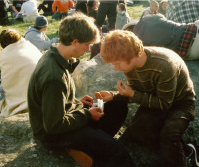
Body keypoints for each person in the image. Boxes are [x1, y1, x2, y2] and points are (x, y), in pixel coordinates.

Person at [27, 12, 135, 167]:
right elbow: (53, 126)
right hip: (53, 134)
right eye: (87, 45)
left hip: (62, 117)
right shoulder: (53, 76)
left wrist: (76, 102)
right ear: (75, 42)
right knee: (116, 150)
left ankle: (91, 146)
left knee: (117, 106)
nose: (88, 49)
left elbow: (56, 101)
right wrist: (86, 114)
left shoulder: (56, 56)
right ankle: (95, 151)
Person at [97, 30, 196, 167]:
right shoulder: (129, 66)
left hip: (181, 102)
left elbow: (165, 104)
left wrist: (132, 95)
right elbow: (136, 91)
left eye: (117, 63)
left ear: (131, 56)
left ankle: (188, 154)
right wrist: (114, 95)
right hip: (154, 97)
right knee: (138, 133)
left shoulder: (164, 65)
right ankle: (176, 149)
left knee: (169, 137)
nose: (115, 68)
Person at [0, 28, 42, 123]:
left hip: (28, 101)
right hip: (41, 97)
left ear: (2, 45)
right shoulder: (30, 47)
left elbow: (7, 84)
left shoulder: (6, 55)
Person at [132, 14, 199, 60]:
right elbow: (160, 16)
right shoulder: (146, 20)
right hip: (196, 32)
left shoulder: (141, 48)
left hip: (191, 54)